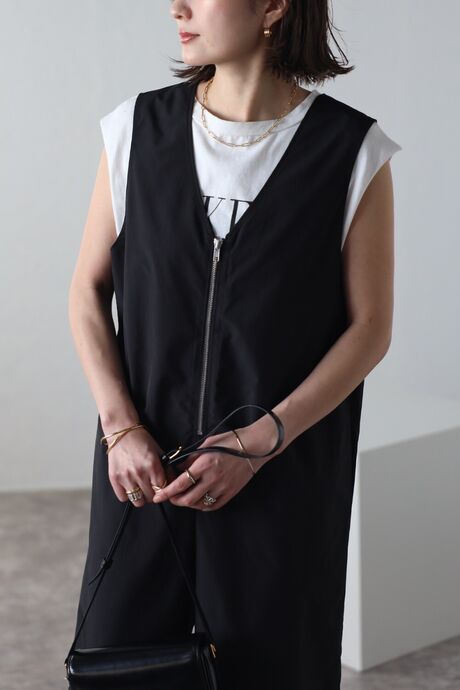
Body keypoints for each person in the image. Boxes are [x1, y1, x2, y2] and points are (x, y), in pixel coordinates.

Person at [68, 1, 402, 688]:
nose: (178, 7)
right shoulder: (135, 130)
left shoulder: (352, 152)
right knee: (123, 666)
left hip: (283, 480)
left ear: (274, 5)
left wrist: (260, 442)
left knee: (273, 668)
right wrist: (119, 427)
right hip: (144, 474)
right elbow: (86, 292)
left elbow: (369, 329)